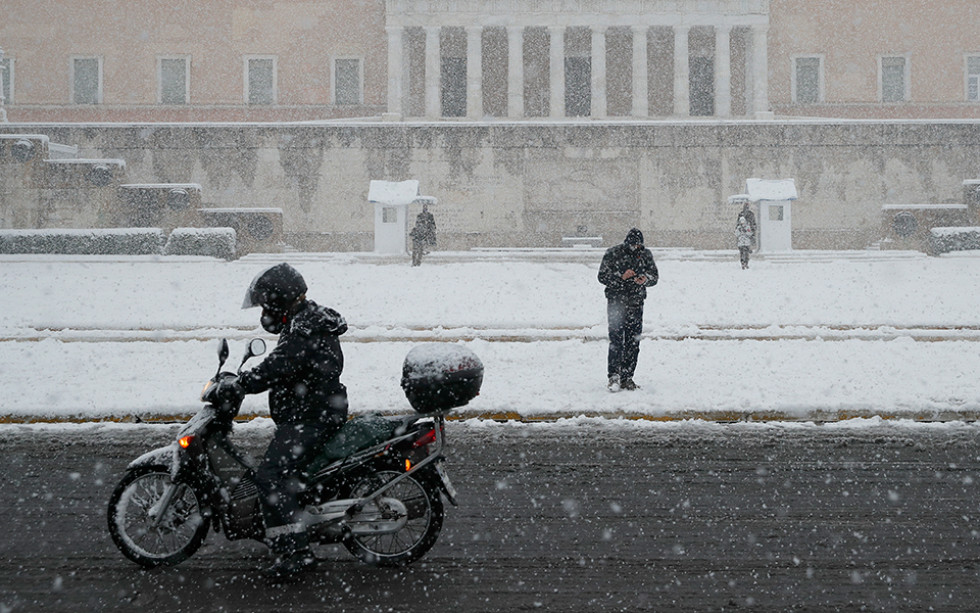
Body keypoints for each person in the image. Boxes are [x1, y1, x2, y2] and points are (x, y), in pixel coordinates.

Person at [237, 263, 349, 578]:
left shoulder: (305, 327)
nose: (263, 312)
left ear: (279, 299)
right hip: (313, 411)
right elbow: (284, 364)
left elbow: (279, 365)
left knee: (271, 477)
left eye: (265, 303)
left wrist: (243, 383)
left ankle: (297, 552)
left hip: (313, 417)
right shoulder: (304, 320)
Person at [597, 228, 659, 392]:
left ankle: (627, 377)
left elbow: (654, 277)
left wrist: (645, 279)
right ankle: (614, 376)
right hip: (616, 302)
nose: (636, 248)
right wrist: (621, 277)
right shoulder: (613, 253)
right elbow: (602, 276)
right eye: (633, 245)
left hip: (636, 303)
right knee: (616, 340)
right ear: (627, 243)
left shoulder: (645, 255)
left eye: (638, 245)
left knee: (633, 341)